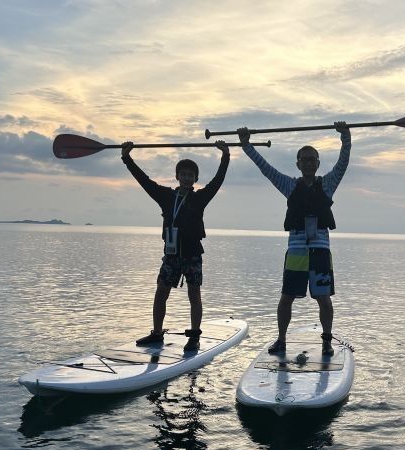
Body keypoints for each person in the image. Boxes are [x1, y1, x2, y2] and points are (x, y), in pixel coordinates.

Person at [237, 122, 351, 356]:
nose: (308, 163)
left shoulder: (327, 184)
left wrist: (345, 136)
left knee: (323, 299)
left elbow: (343, 163)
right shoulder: (289, 185)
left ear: (318, 164)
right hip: (297, 251)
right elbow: (266, 169)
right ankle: (281, 339)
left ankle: (326, 341)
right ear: (298, 164)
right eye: (304, 159)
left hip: (319, 251)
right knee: (286, 298)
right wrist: (246, 145)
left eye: (312, 159)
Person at [121, 139, 230, 352]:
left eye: (191, 175)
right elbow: (144, 181)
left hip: (192, 255)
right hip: (171, 255)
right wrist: (127, 158)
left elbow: (218, 181)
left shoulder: (200, 198)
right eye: (183, 174)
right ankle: (156, 333)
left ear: (196, 179)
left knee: (194, 294)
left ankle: (194, 336)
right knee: (161, 292)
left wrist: (225, 156)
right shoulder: (166, 196)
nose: (187, 178)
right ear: (177, 176)